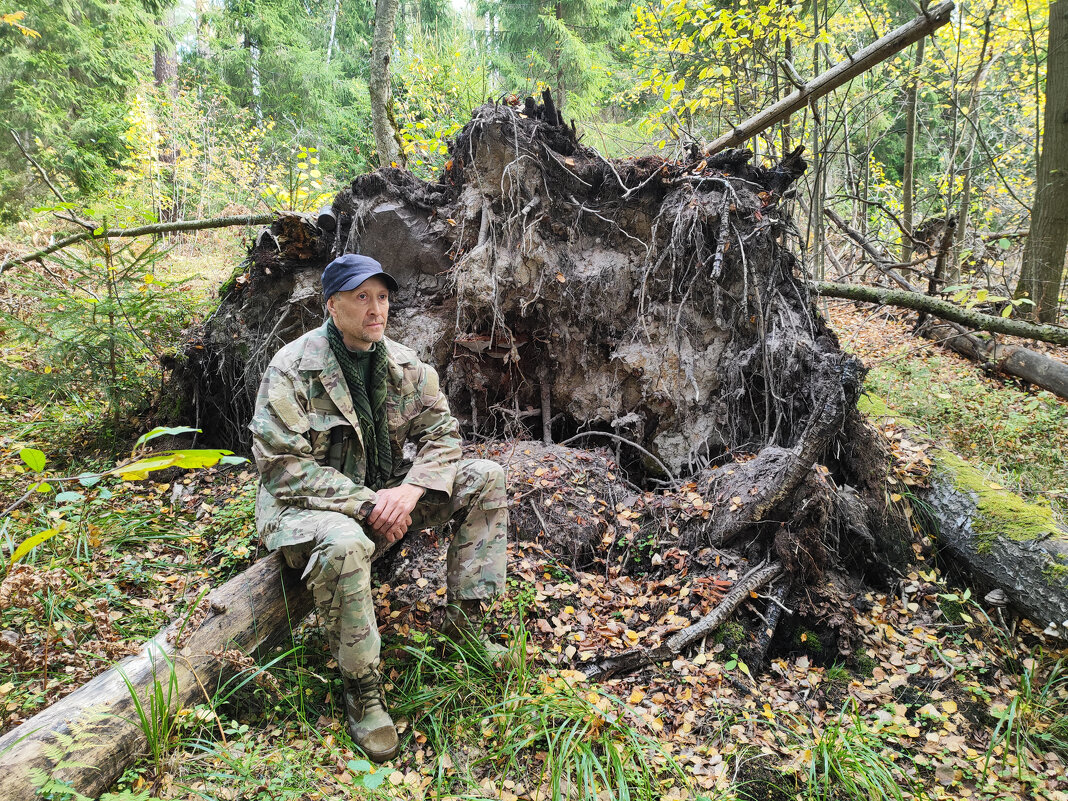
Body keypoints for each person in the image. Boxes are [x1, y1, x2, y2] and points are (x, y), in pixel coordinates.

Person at [248, 253, 509, 763]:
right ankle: (362, 688)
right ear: (333, 305)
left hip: (385, 491)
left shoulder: (405, 366)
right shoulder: (292, 368)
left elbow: (443, 437)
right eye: (361, 297)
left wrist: (409, 491)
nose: (376, 309)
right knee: (345, 542)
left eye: (383, 297)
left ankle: (467, 620)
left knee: (487, 478)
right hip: (304, 505)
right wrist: (368, 503)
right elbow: (283, 468)